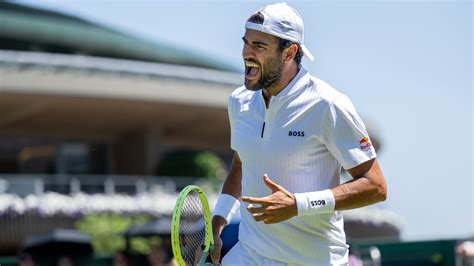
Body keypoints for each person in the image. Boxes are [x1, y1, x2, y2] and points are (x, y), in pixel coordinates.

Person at [211, 2, 387, 265]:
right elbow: (242, 162)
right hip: (251, 255)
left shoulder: (328, 104)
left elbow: (376, 186)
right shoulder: (239, 102)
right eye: (246, 42)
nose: (247, 53)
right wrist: (219, 221)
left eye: (259, 46)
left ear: (289, 52)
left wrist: (298, 204)